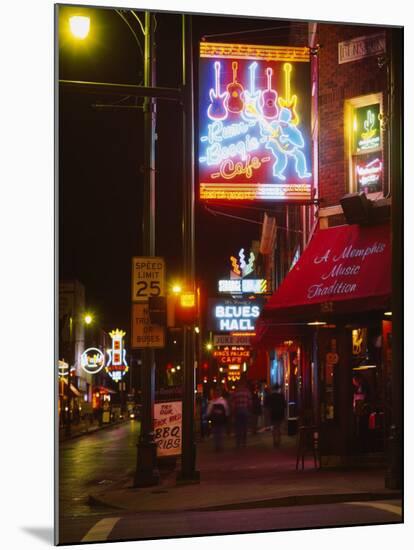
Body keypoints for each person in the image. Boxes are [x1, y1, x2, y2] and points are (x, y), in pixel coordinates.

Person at [230, 379, 252, 448]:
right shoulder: (247, 392)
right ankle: (244, 442)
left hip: (238, 410)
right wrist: (249, 409)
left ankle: (238, 442)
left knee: (238, 427)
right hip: (245, 410)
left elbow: (232, 403)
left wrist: (233, 412)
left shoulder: (235, 392)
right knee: (245, 427)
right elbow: (250, 403)